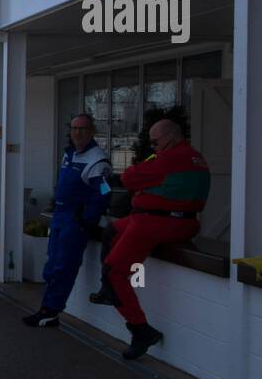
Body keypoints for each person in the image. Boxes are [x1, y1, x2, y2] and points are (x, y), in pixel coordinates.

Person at [89, 118, 210, 359]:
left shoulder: (168, 158)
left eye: (155, 142)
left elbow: (129, 178)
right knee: (112, 230)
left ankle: (140, 329)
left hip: (156, 223)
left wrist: (145, 168)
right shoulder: (197, 158)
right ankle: (106, 291)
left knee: (115, 273)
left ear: (171, 138)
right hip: (182, 222)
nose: (153, 147)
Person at [22, 115, 111, 329]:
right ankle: (47, 310)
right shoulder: (70, 154)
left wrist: (86, 221)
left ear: (91, 131)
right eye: (74, 128)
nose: (78, 133)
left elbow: (104, 193)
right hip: (60, 216)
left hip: (75, 221)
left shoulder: (98, 160)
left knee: (63, 267)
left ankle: (50, 311)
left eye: (82, 129)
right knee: (51, 266)